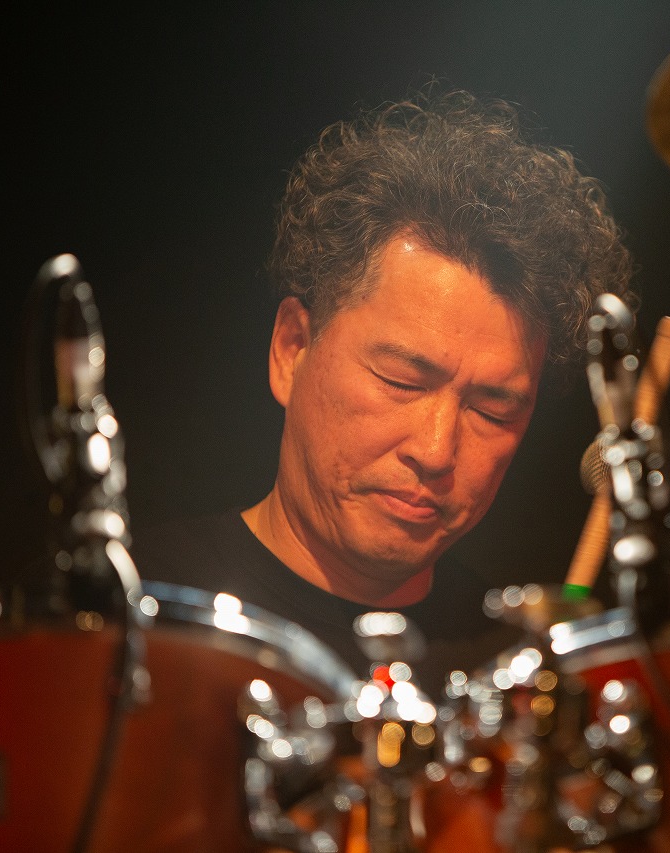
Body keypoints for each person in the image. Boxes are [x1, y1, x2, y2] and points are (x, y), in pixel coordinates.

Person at [133, 89, 636, 692]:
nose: (436, 450)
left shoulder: (520, 676)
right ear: (292, 348)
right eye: (402, 381)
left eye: (491, 411)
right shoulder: (122, 615)